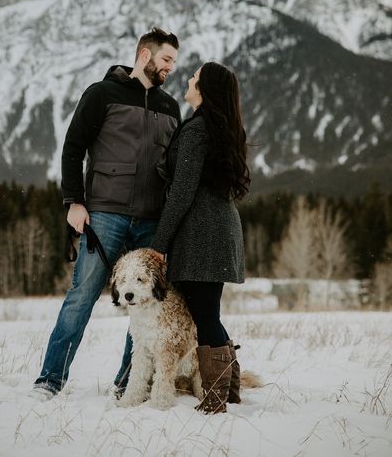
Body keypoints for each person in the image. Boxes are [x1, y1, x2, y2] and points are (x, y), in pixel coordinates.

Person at [33, 27, 180, 398]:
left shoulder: (170, 106)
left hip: (151, 220)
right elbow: (72, 148)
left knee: (149, 304)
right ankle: (50, 379)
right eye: (166, 60)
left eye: (174, 63)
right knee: (82, 295)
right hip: (105, 216)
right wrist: (74, 201)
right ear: (144, 55)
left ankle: (128, 383)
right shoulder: (102, 94)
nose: (170, 69)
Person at [151, 61, 250, 414]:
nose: (189, 80)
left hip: (202, 234)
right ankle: (229, 392)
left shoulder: (197, 130)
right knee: (209, 313)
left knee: (205, 315)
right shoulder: (219, 128)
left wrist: (159, 244)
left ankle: (216, 399)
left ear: (204, 89)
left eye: (194, 78)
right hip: (218, 229)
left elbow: (182, 192)